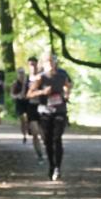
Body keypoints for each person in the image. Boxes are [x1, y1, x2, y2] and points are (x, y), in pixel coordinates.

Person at [27, 51, 72, 181]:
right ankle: (51, 165)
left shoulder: (62, 74)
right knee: (47, 140)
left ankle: (57, 167)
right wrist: (42, 91)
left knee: (57, 139)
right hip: (45, 111)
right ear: (43, 63)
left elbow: (68, 85)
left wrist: (67, 94)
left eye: (52, 61)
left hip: (59, 110)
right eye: (47, 61)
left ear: (55, 62)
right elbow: (29, 94)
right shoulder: (41, 78)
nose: (50, 64)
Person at [24, 56, 46, 163]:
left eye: (34, 64)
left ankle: (49, 150)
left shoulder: (43, 77)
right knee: (35, 132)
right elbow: (24, 94)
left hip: (42, 107)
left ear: (37, 64)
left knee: (44, 133)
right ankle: (39, 155)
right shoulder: (26, 78)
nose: (32, 66)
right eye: (30, 64)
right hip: (31, 107)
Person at [10, 67, 30, 143]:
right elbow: (12, 95)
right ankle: (24, 135)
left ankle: (28, 129)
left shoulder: (28, 82)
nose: (21, 75)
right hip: (19, 103)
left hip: (28, 102)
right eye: (20, 73)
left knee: (27, 118)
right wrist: (17, 96)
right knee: (22, 119)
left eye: (22, 73)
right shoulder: (15, 83)